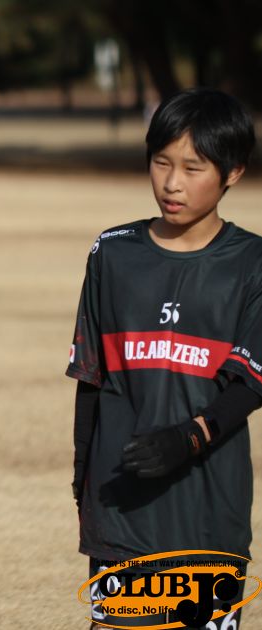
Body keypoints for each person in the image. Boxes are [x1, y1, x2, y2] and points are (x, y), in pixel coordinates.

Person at [67, 87, 261, 628]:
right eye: (161, 162)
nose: (172, 183)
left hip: (208, 512)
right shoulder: (113, 252)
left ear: (233, 172)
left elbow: (251, 383)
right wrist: (84, 478)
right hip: (121, 508)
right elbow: (91, 378)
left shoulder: (251, 263)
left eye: (193, 168)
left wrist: (189, 437)